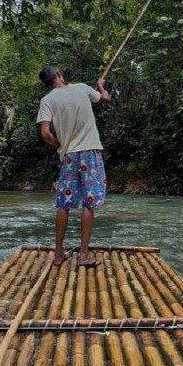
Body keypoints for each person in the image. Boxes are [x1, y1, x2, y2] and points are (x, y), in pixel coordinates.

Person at [36, 67, 110, 267]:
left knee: (64, 204)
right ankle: (84, 255)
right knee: (88, 203)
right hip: (90, 153)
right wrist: (101, 87)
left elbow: (45, 133)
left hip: (68, 156)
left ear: (47, 83)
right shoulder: (82, 88)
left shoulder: (47, 101)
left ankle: (58, 254)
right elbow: (105, 99)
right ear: (59, 75)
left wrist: (58, 143)